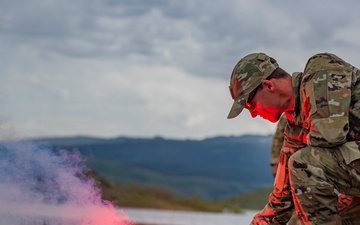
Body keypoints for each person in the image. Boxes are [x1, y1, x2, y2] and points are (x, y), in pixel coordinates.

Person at [227, 52, 360, 224]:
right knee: (300, 217)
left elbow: (329, 135)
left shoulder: (321, 69)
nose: (252, 114)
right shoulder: (295, 128)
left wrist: (295, 153)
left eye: (250, 105)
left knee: (303, 163)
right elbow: (282, 200)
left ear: (268, 85)